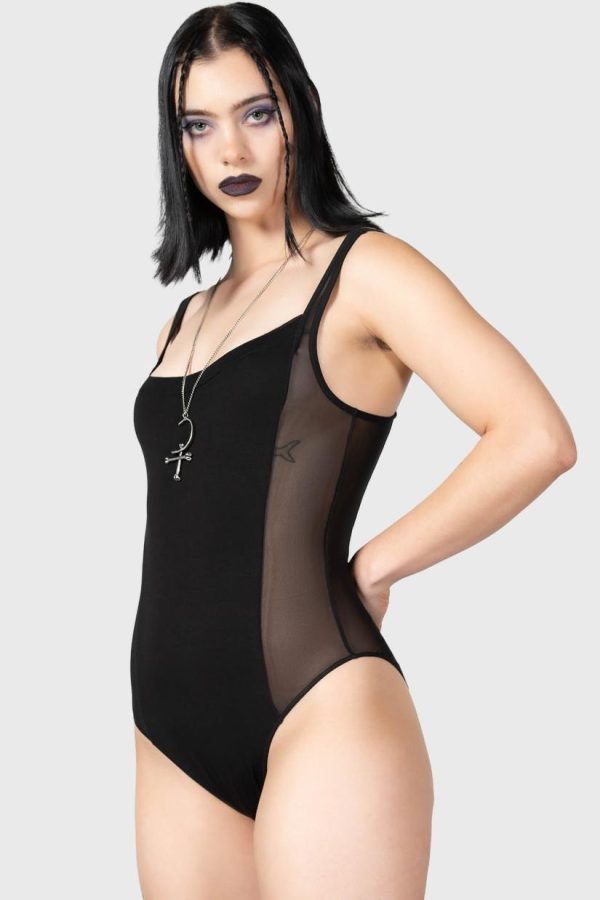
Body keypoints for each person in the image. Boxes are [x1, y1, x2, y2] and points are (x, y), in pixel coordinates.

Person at [130, 4, 577, 897]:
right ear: (176, 144)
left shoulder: (366, 271)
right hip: (169, 729)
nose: (232, 149)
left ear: (297, 110)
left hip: (322, 702)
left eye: (257, 113)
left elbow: (536, 436)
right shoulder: (185, 318)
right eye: (199, 124)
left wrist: (376, 565)